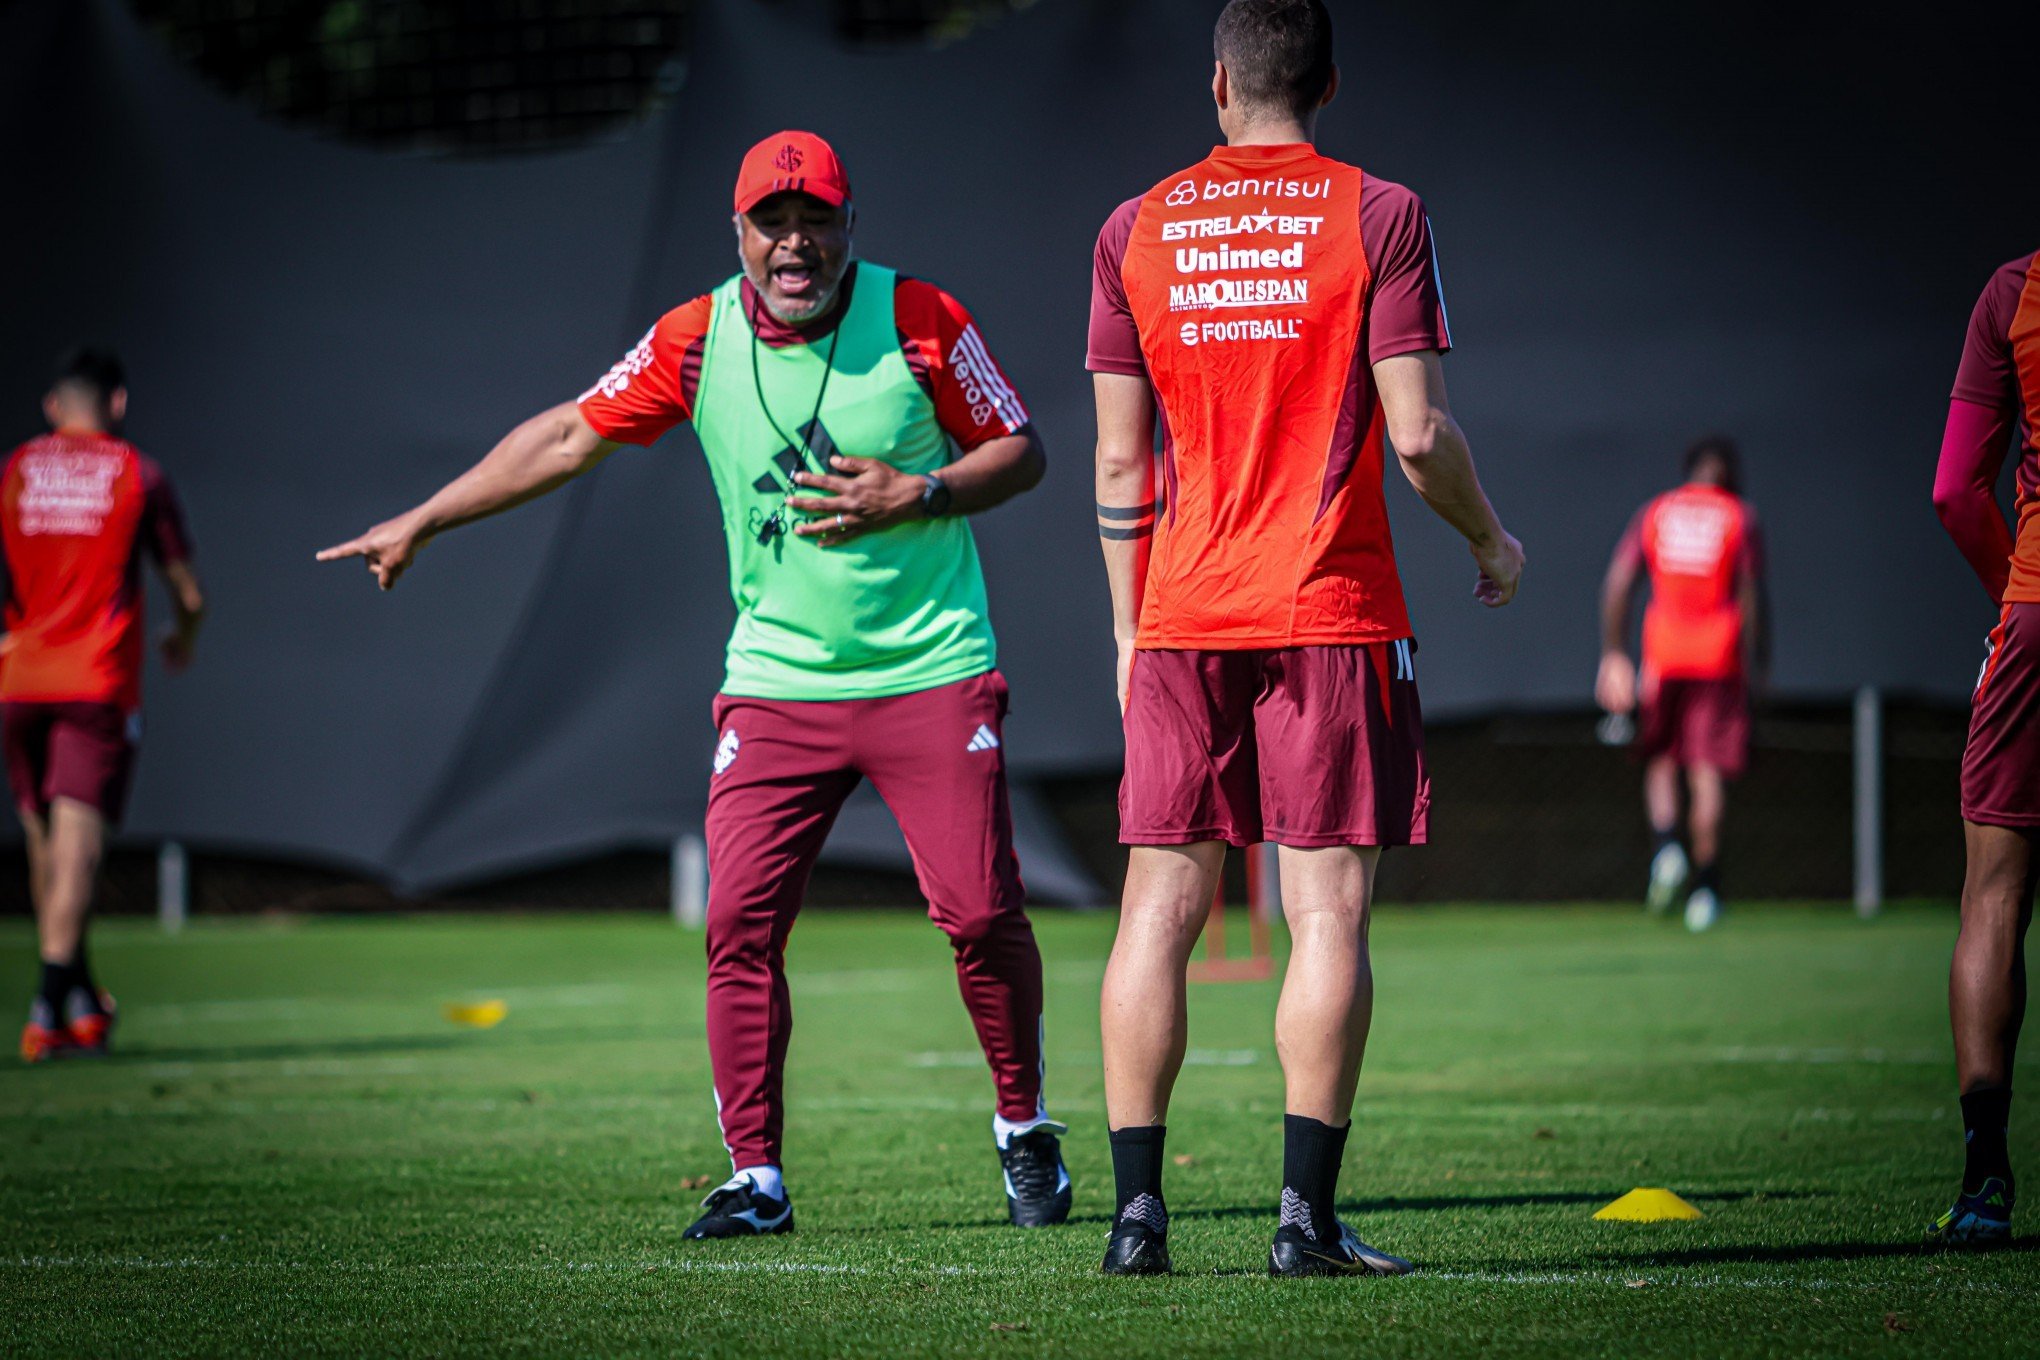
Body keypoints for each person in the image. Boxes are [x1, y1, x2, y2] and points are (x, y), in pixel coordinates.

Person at [319, 132, 1067, 1238]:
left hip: (930, 670)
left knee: (979, 912)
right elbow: (571, 433)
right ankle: (755, 1179)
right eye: (773, 222)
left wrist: (921, 492)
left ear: (850, 226)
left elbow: (1022, 446)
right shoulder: (695, 336)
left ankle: (1023, 1126)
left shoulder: (921, 317)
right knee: (737, 921)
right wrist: (427, 517)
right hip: (774, 686)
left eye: (815, 220)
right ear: (741, 234)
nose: (795, 242)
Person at [1086, 0, 1523, 1277]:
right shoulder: (1378, 213)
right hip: (1327, 608)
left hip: (1178, 614)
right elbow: (1422, 435)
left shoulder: (1134, 227)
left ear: (1217, 83)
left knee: (1157, 913)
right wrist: (1491, 544)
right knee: (1324, 914)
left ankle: (1135, 1220)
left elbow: (1121, 457)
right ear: (1330, 82)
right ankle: (1302, 1223)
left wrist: (1128, 627)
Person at [7, 346, 204, 1062]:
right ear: (117, 404)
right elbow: (188, 592)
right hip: (94, 683)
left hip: (19, 678)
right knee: (79, 855)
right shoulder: (135, 474)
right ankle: (48, 1003)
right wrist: (184, 636)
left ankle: (82, 997)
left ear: (53, 407)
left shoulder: (15, 471)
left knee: (43, 843)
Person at [1925, 247, 2040, 1247]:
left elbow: (1959, 491)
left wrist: (2014, 601)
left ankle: (1985, 1182)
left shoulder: (2016, 291)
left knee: (1996, 895)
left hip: (2039, 613)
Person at [1595, 436, 1767, 932]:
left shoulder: (1658, 512)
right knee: (1706, 772)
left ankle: (1667, 849)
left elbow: (1619, 582)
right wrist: (1759, 668)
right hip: (1719, 662)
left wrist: (1613, 655)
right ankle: (1706, 890)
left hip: (1663, 659)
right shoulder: (1739, 517)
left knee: (1661, 761)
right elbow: (1752, 597)